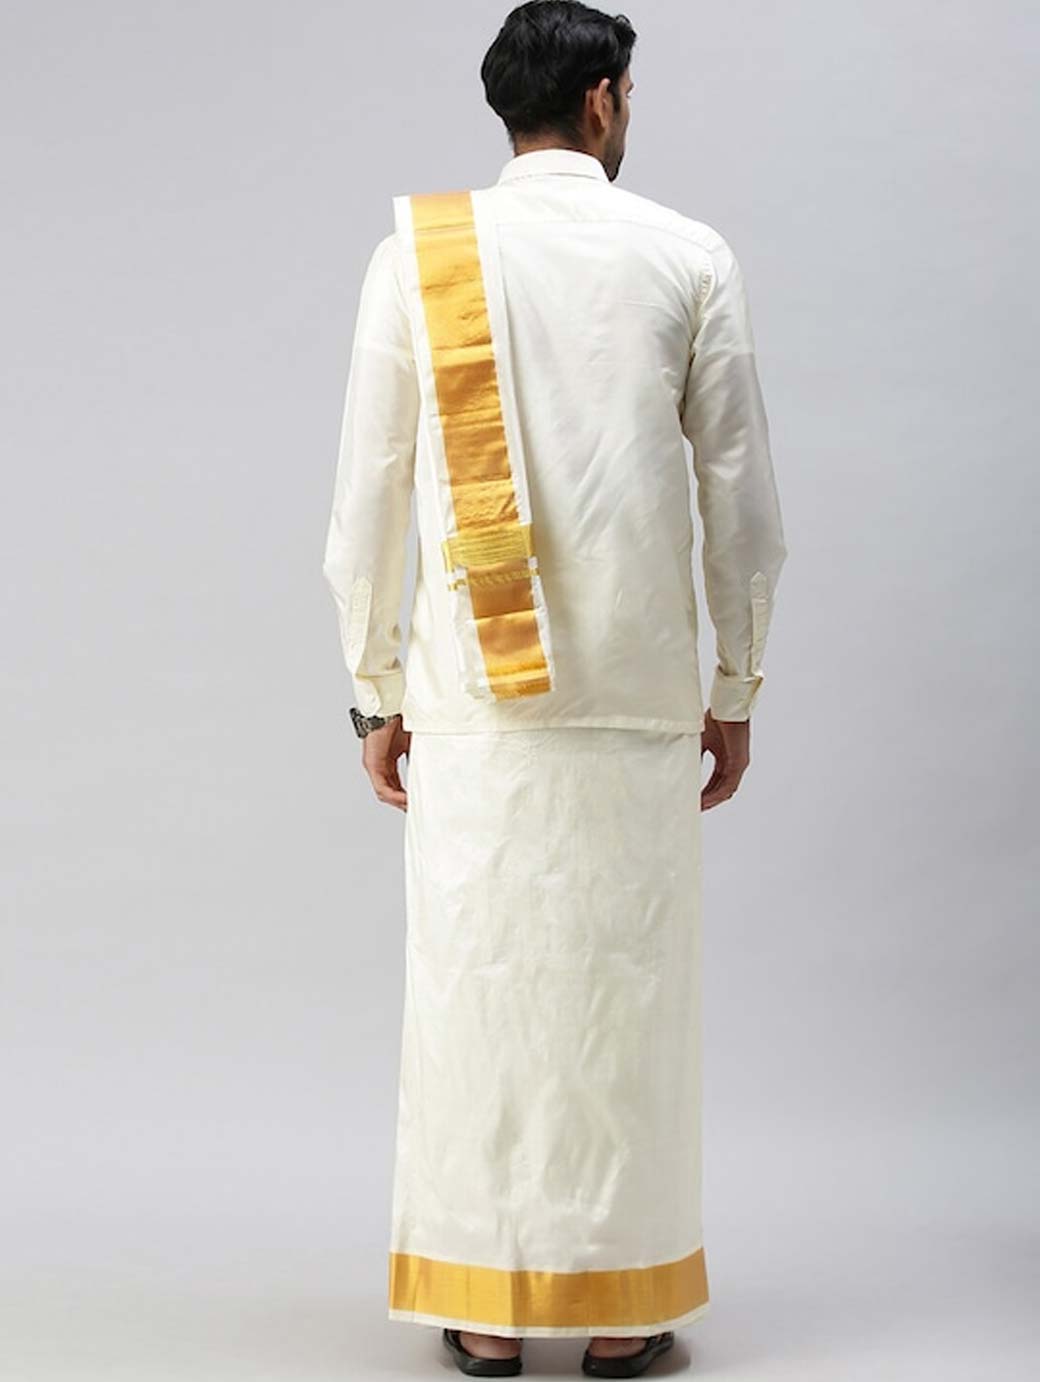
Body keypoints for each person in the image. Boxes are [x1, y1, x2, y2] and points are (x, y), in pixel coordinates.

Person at [321, 2, 787, 1374]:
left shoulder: (417, 257)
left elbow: (366, 502)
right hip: (638, 704)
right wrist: (736, 685)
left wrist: (375, 688)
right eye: (629, 93)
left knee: (478, 993)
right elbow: (743, 506)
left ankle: (485, 1310)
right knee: (626, 1002)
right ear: (601, 99)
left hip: (475, 707)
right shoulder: (689, 255)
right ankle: (624, 1309)